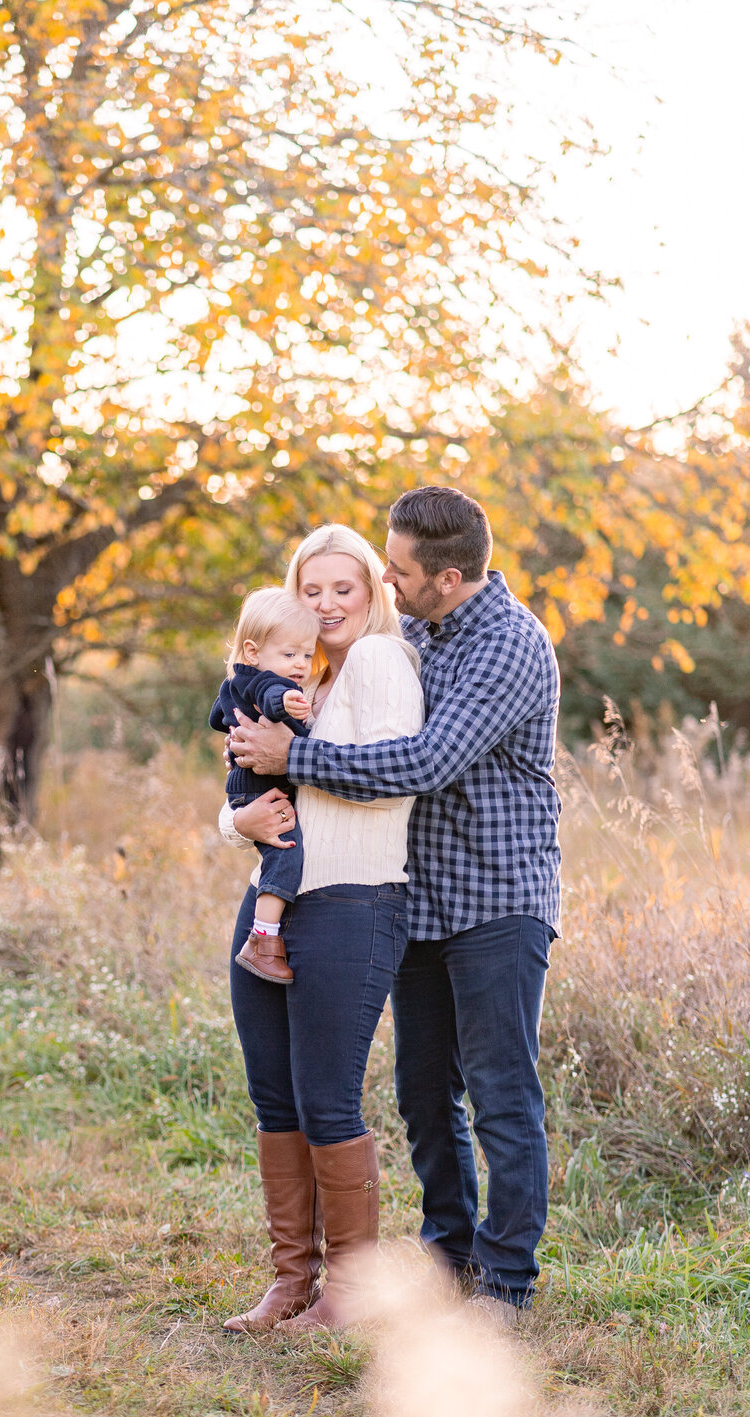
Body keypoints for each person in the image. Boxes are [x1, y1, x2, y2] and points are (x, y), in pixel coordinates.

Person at [228, 486, 561, 1325]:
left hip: (495, 893)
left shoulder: (508, 646)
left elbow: (422, 763)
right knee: (422, 1092)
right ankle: (447, 1260)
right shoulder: (408, 630)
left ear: (447, 577)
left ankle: (508, 1282)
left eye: (397, 569)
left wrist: (292, 753)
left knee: (500, 1091)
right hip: (419, 896)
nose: (384, 577)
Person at [219, 525, 423, 1333]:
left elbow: (392, 782)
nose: (328, 603)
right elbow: (238, 790)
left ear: (373, 594)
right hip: (271, 897)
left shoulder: (378, 662)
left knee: (326, 1100)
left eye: (346, 588)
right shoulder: (298, 674)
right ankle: (290, 1280)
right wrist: (244, 822)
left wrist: (282, 763)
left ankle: (352, 1294)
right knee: (276, 1096)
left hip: (352, 900)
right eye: (313, 589)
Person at [209, 587, 319, 985]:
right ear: (253, 652)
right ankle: (263, 940)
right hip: (259, 790)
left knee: (281, 851)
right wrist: (287, 702)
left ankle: (264, 936)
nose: (301, 665)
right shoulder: (267, 684)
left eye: (307, 655)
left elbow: (215, 717)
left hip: (247, 787)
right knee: (286, 852)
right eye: (290, 654)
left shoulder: (237, 680)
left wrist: (234, 728)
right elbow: (271, 696)